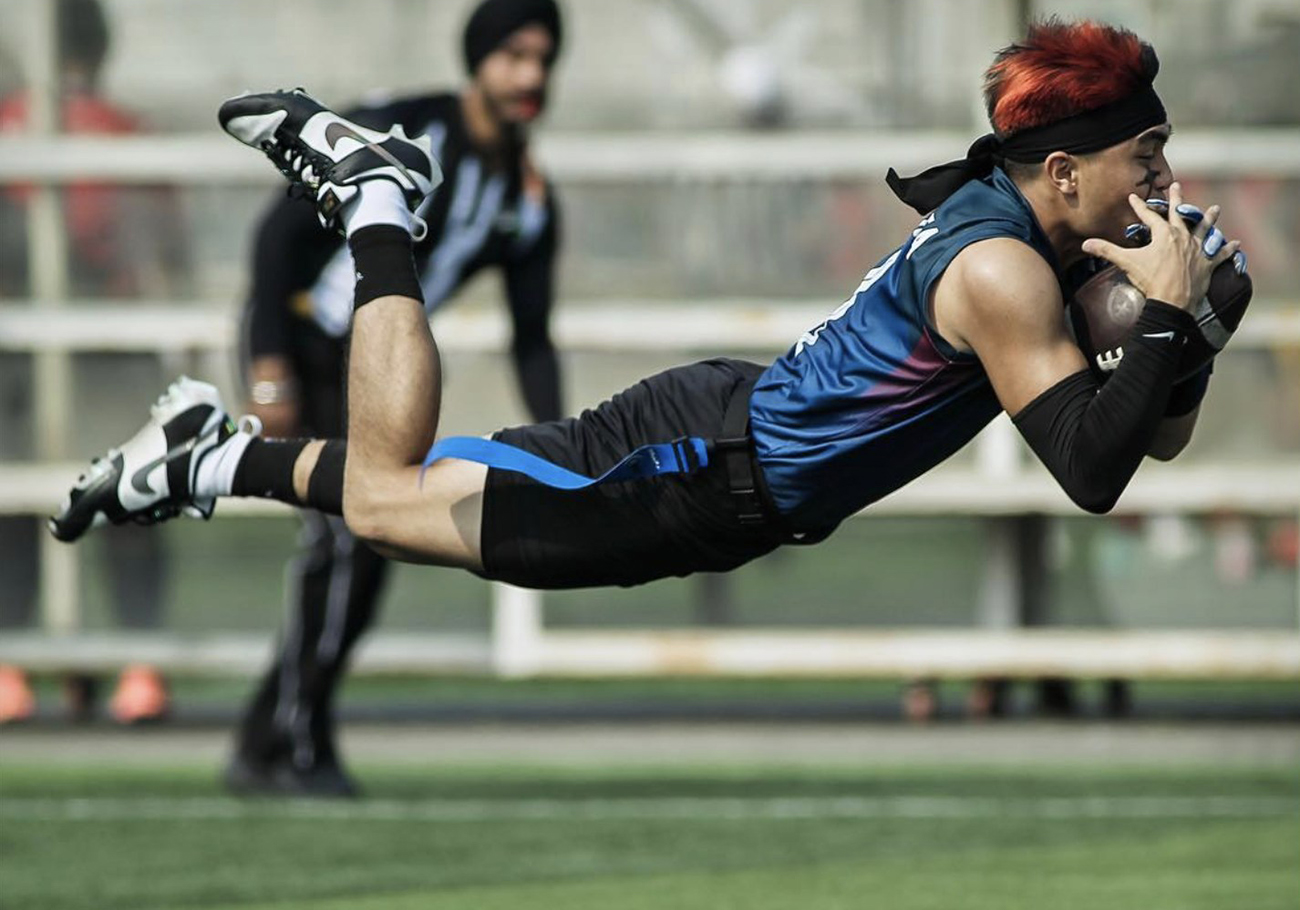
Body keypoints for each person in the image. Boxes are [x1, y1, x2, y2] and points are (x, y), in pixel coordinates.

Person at [51, 22, 1242, 684]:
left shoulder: (1052, 249)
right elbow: (1091, 472)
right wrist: (1176, 321)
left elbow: (1154, 438)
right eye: (1145, 152)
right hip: (695, 471)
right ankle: (376, 208)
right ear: (1066, 169)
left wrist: (1185, 338)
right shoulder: (1002, 271)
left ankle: (205, 458)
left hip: (710, 440)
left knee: (402, 497)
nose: (1163, 180)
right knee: (383, 496)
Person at [225, 0, 565, 797]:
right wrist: (267, 363)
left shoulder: (526, 192)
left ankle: (267, 736)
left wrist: (559, 442)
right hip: (310, 342)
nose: (530, 77)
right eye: (514, 55)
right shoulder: (409, 129)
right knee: (346, 543)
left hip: (374, 368)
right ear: (478, 59)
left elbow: (533, 333)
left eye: (544, 60)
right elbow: (277, 239)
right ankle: (298, 743)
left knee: (363, 550)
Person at [0, 0, 184, 725]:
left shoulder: (17, 127)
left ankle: (14, 662)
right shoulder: (122, 132)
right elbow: (165, 256)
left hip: (26, 346)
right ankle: (137, 663)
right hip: (111, 344)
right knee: (129, 501)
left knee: (16, 506)